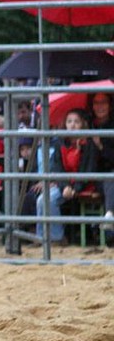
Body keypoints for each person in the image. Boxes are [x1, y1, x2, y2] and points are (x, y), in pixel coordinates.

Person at [33, 108, 97, 243]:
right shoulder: (60, 143)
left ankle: (57, 238)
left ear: (83, 124)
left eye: (76, 122)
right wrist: (65, 186)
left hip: (82, 184)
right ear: (65, 124)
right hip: (64, 183)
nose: (72, 125)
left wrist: (75, 188)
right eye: (69, 121)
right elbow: (57, 167)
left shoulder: (89, 144)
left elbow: (88, 170)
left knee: (49, 201)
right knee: (41, 200)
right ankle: (42, 237)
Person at [87, 92, 114, 228]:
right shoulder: (87, 125)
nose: (100, 106)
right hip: (95, 176)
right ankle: (109, 216)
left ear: (110, 105)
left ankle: (109, 216)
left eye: (103, 102)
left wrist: (101, 146)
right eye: (96, 103)